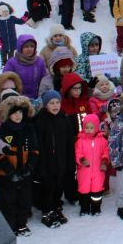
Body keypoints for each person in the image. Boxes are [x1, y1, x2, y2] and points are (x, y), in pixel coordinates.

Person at [0, 95, 38, 236]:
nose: (18, 115)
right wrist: (9, 170)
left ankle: (21, 224)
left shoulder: (29, 129)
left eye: (20, 112)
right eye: (14, 112)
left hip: (25, 172)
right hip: (7, 174)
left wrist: (29, 166)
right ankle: (9, 225)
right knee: (8, 200)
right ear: (7, 114)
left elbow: (34, 150)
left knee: (24, 200)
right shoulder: (2, 130)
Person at [33, 90, 74, 228]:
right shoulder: (40, 121)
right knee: (48, 187)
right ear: (45, 105)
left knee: (58, 186)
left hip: (61, 161)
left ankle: (56, 207)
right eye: (52, 103)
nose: (55, 105)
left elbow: (69, 142)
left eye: (57, 102)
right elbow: (38, 144)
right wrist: (40, 164)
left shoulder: (64, 119)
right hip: (47, 162)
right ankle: (47, 211)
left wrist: (70, 161)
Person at [75, 113, 109, 216]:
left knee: (97, 190)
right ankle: (84, 208)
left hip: (99, 171)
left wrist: (104, 161)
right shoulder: (80, 140)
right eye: (87, 127)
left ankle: (96, 208)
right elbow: (77, 152)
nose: (89, 130)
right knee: (84, 190)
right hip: (84, 171)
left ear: (97, 127)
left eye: (91, 127)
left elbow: (106, 152)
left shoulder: (102, 140)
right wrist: (82, 160)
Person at [3, 35, 47, 100]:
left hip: (36, 98)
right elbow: (6, 81)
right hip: (17, 99)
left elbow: (44, 81)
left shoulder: (40, 62)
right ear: (20, 48)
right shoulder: (12, 63)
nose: (29, 49)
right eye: (26, 46)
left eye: (32, 46)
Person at [0, 2, 27, 66]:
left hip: (12, 41)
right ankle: (4, 63)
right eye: (3, 12)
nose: (5, 13)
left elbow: (20, 21)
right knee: (3, 53)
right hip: (2, 42)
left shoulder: (12, 18)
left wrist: (25, 16)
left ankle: (11, 64)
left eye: (6, 11)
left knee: (11, 53)